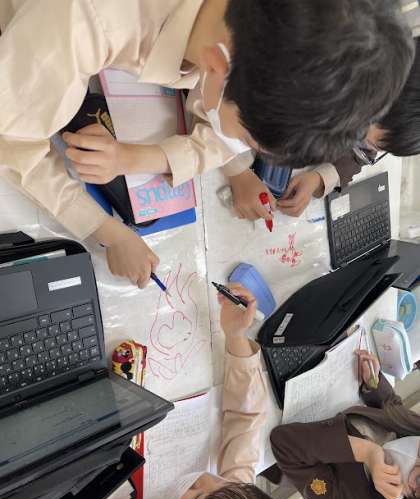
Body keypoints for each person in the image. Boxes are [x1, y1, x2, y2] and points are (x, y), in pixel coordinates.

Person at [0, 1, 414, 288]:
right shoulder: (90, 19)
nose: (235, 147)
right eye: (246, 140)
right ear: (217, 65)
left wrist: (139, 158)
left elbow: (220, 124)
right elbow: (15, 145)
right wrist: (107, 231)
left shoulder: (247, 31)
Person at [79, 285, 297, 499]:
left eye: (197, 498)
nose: (205, 479)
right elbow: (247, 418)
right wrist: (235, 336)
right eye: (227, 486)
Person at [271, 350, 420, 499]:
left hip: (271, 437)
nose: (413, 453)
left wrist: (367, 453)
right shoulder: (416, 431)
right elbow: (394, 408)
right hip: (312, 389)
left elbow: (283, 442)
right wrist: (374, 383)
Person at [274, 37, 420, 219]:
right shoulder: (314, 54)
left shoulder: (385, 123)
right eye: (359, 127)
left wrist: (319, 179)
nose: (349, 138)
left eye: (371, 144)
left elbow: (358, 157)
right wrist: (240, 171)